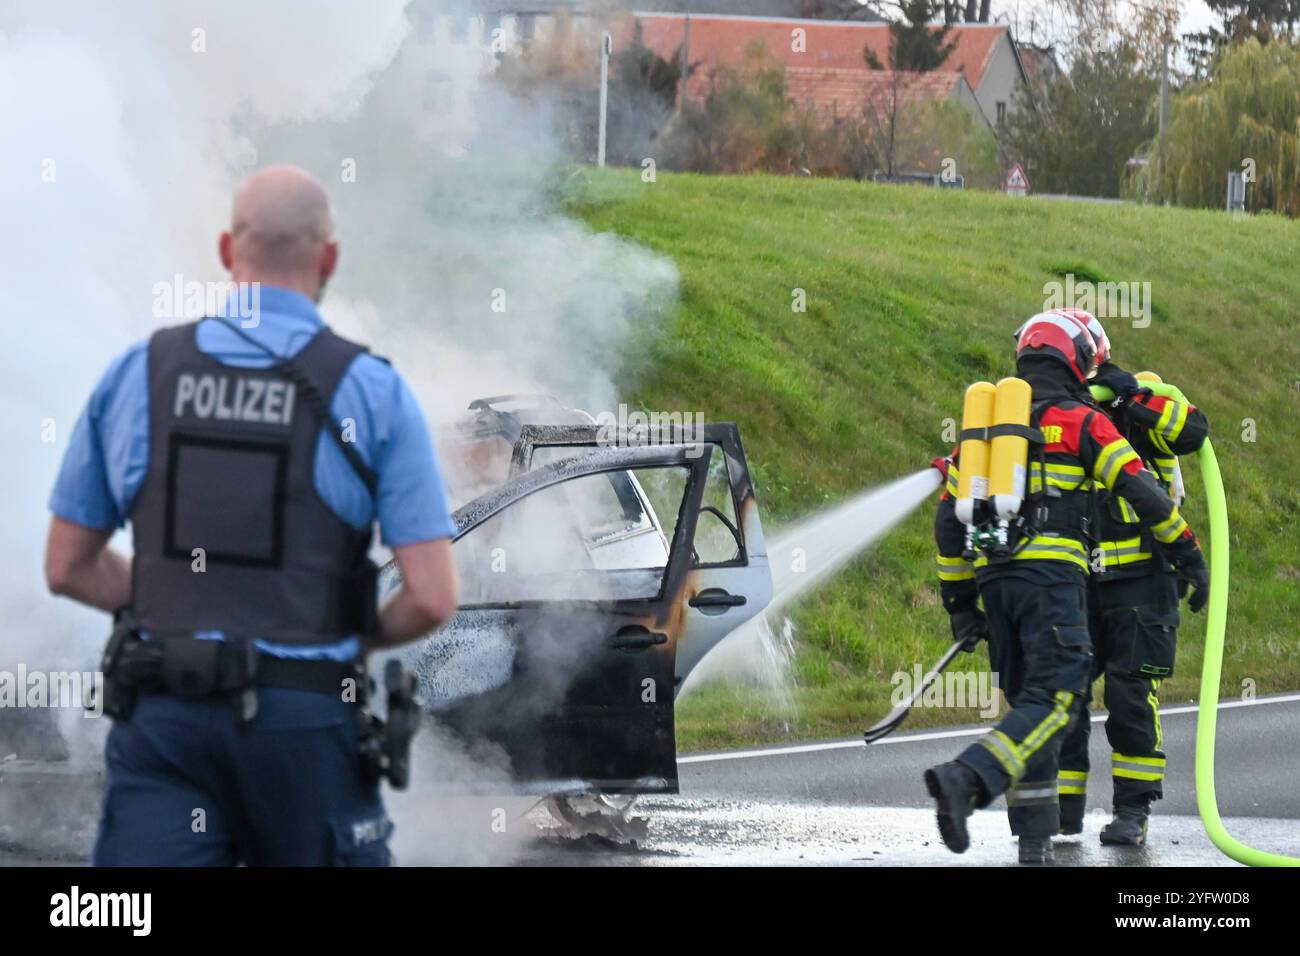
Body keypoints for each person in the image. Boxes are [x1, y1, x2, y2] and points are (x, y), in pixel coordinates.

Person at [44, 164, 460, 866]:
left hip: (165, 722)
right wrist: (351, 631)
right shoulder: (373, 392)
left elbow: (67, 567)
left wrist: (169, 595)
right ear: (329, 257)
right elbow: (431, 595)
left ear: (225, 251)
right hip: (302, 729)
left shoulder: (139, 374)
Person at [925, 311, 1208, 864]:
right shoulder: (1079, 419)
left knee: (1070, 699)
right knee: (1055, 704)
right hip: (1056, 586)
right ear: (1080, 356)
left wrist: (960, 605)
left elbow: (947, 523)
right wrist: (1189, 554)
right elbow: (1143, 490)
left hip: (1008, 586)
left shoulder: (987, 434)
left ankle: (1040, 842)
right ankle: (969, 778)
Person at [1055, 313, 1210, 846]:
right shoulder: (1060, 414)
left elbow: (1193, 430)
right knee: (1066, 695)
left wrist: (1127, 400)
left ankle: (1133, 812)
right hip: (1078, 583)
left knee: (1128, 695)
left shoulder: (1140, 399)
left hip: (1143, 581)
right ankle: (1064, 810)